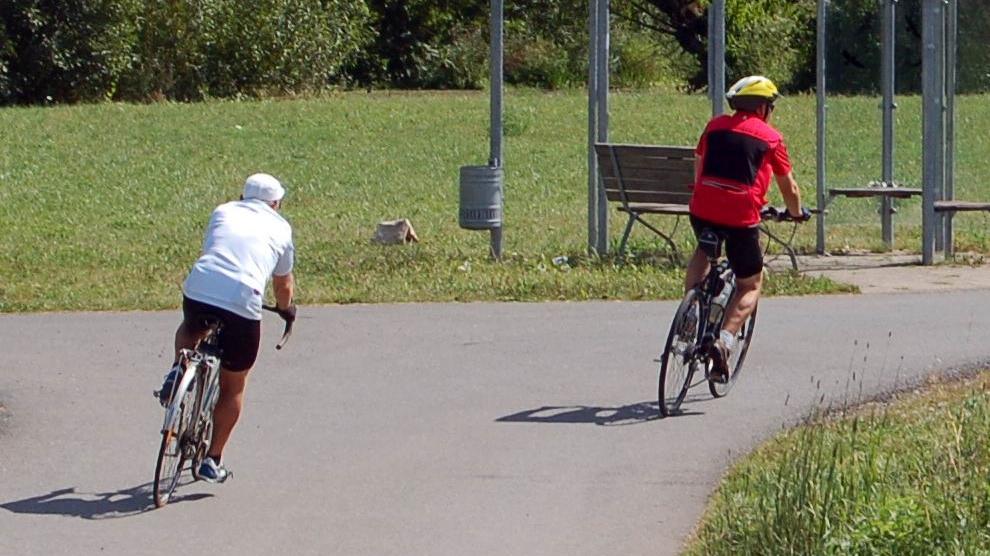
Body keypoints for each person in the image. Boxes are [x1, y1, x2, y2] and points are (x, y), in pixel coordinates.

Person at [158, 173, 297, 483]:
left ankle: (178, 368)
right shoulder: (281, 228)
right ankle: (212, 459)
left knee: (191, 330)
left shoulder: (223, 210)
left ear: (243, 195)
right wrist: (286, 309)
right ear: (276, 203)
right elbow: (282, 283)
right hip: (242, 301)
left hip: (201, 285)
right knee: (234, 384)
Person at [686, 75, 808, 383]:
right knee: (750, 283)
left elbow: (699, 166)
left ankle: (690, 309)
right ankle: (724, 340)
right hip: (740, 215)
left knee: (704, 248)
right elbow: (789, 187)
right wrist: (796, 214)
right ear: (763, 108)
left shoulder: (714, 127)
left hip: (702, 208)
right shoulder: (770, 138)